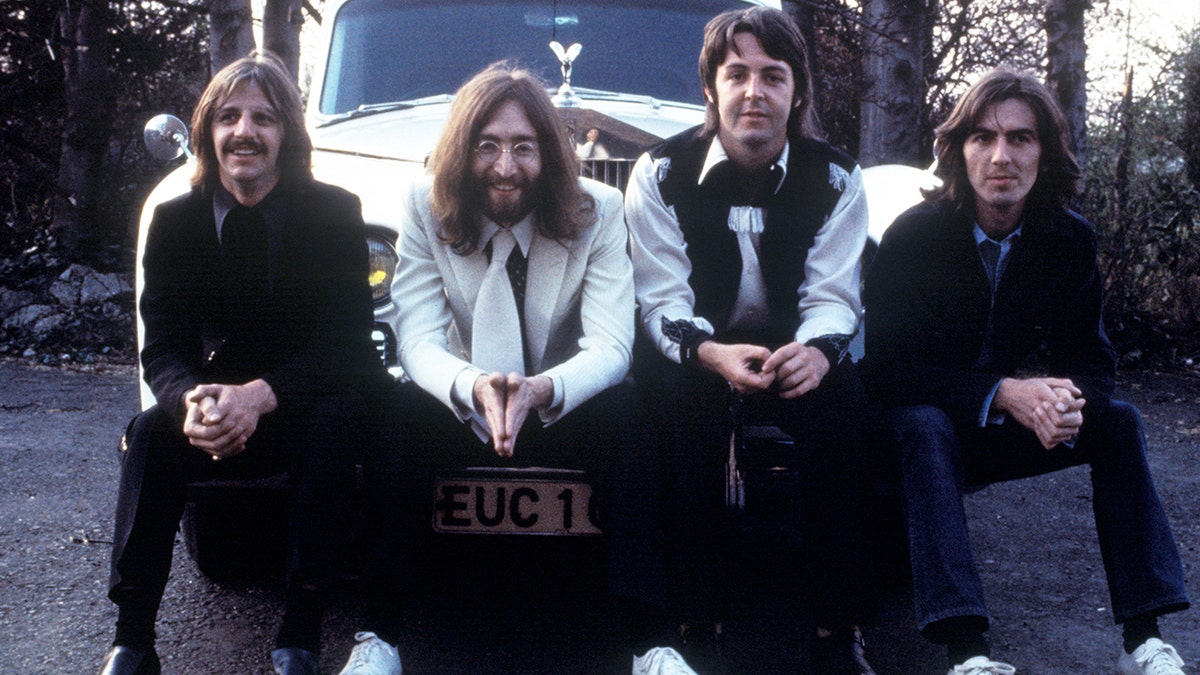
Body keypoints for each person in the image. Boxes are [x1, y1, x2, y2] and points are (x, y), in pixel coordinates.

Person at [861, 67, 1191, 675]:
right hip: (900, 437)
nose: (1001, 156)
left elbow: (1094, 363)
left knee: (1116, 423)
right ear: (959, 151)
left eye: (1020, 138)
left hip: (986, 432)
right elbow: (882, 371)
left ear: (1046, 151)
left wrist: (1065, 402)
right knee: (926, 423)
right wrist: (1004, 392)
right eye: (982, 138)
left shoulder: (1065, 240)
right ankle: (969, 653)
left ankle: (1143, 640)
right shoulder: (915, 235)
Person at [376, 62, 682, 673]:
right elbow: (416, 339)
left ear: (549, 153)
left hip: (555, 397)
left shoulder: (599, 208)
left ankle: (652, 644)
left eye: (523, 146)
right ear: (461, 152)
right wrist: (470, 387)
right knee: (400, 409)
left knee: (629, 413)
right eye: (486, 146)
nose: (505, 167)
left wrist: (544, 389)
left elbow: (612, 346)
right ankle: (376, 637)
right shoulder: (422, 204)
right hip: (466, 400)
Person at [97, 52, 395, 675]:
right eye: (228, 116)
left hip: (309, 399)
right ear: (208, 130)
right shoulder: (176, 219)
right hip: (219, 404)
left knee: (338, 425)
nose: (244, 131)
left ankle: (300, 635)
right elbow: (163, 344)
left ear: (286, 132)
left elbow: (345, 339)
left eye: (263, 117)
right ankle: (132, 642)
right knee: (151, 433)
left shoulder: (334, 212)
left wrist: (262, 394)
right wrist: (190, 402)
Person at [624, 7, 880, 673]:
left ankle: (837, 622)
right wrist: (708, 353)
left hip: (796, 345)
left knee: (847, 404)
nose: (754, 92)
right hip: (699, 349)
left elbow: (833, 295)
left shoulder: (836, 178)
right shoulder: (657, 174)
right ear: (710, 88)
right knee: (678, 401)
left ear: (798, 91)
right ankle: (692, 614)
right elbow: (660, 296)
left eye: (773, 75)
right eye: (736, 74)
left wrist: (818, 352)